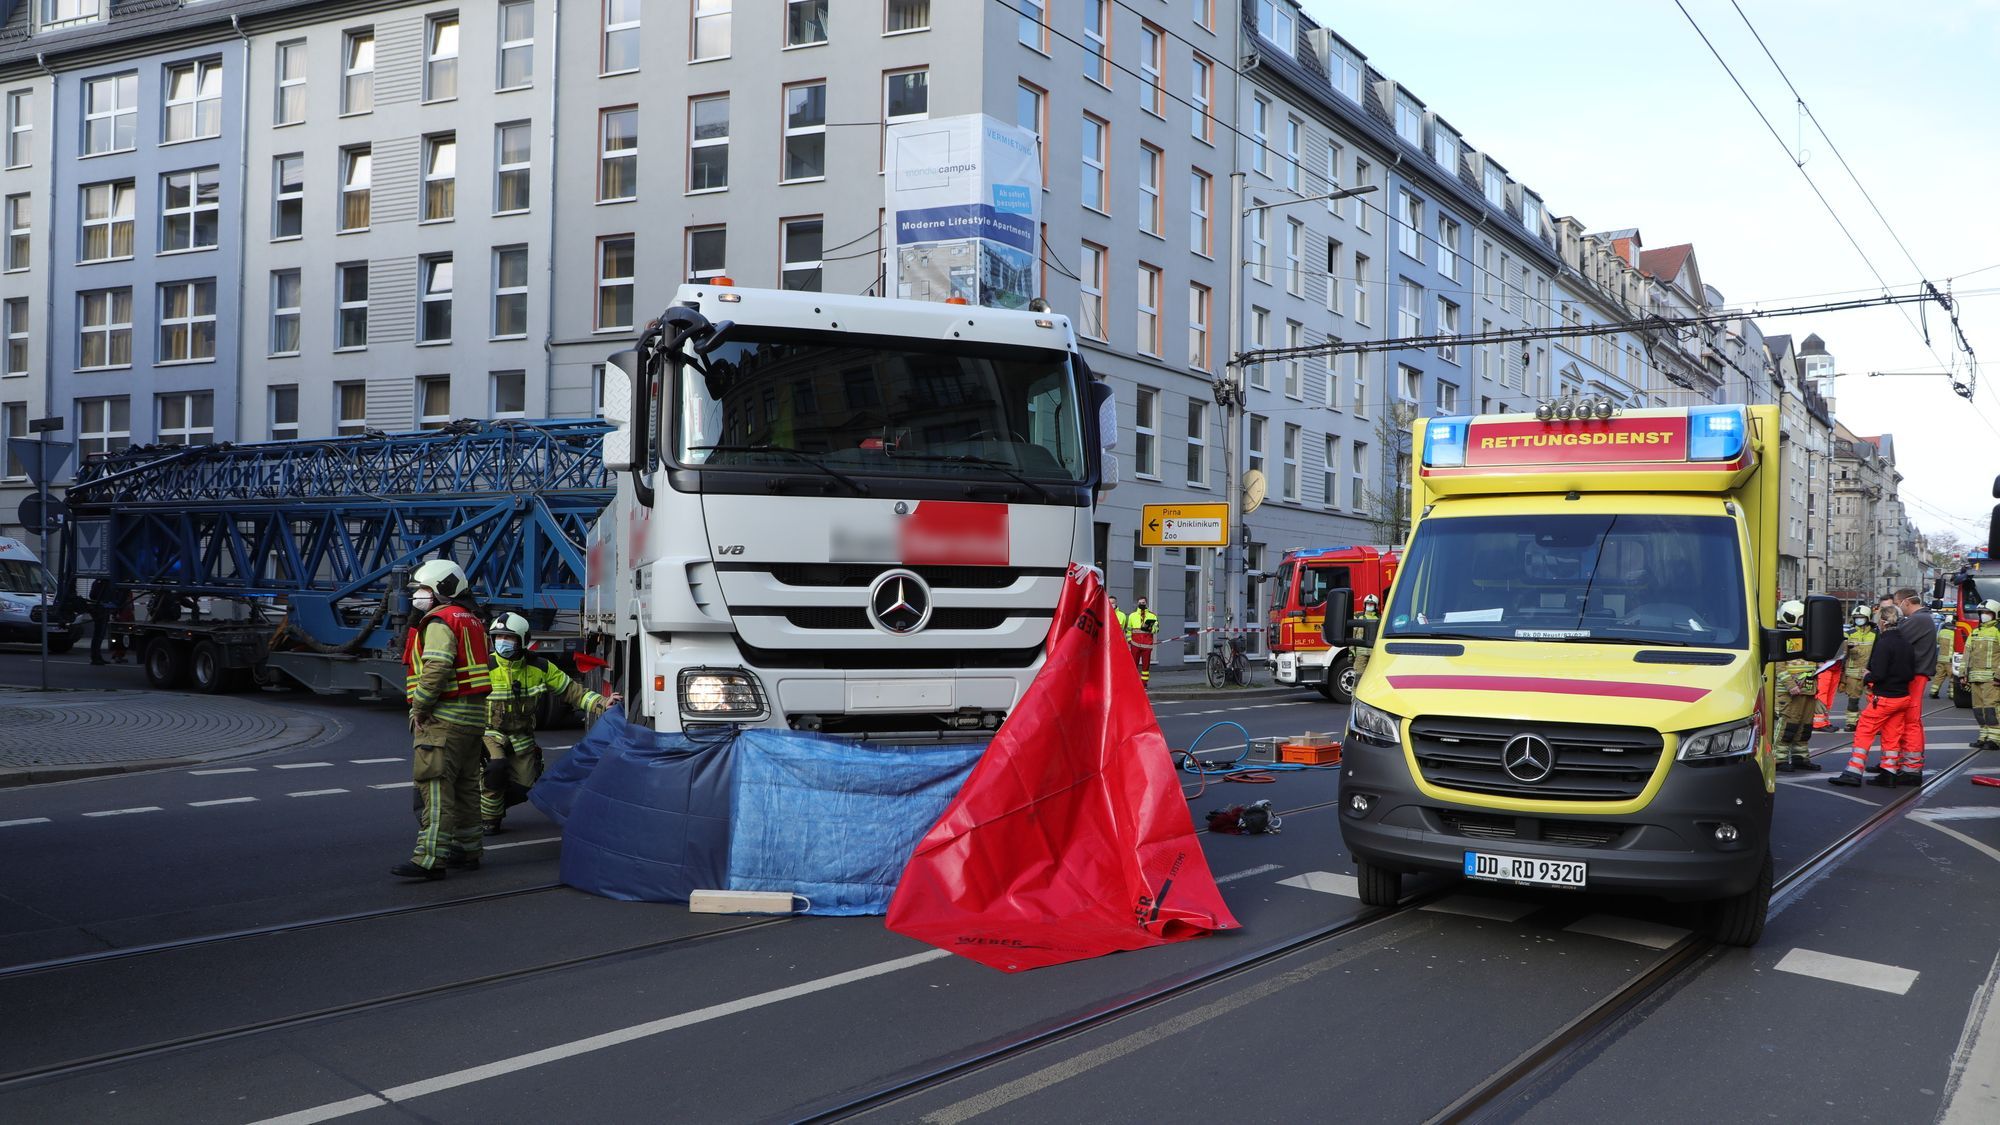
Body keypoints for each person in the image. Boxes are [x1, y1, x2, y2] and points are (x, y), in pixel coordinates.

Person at [392, 558, 492, 881]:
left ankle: (430, 858)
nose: (418, 595)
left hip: (443, 722)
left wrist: (419, 708)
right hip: (473, 721)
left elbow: (436, 669)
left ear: (440, 589)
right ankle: (469, 849)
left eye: (422, 589)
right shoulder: (473, 620)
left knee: (435, 789)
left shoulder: (439, 621)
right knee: (466, 790)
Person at [481, 613, 618, 835]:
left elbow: (573, 692)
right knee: (495, 767)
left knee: (525, 785)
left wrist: (603, 703)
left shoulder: (541, 667)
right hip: (489, 733)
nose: (502, 642)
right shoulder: (483, 666)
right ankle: (488, 819)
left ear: (523, 640)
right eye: (498, 637)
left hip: (522, 736)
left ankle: (483, 804)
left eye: (509, 637)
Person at [1829, 604, 1918, 787]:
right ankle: (1889, 773)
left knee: (1864, 730)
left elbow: (1879, 674)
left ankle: (1853, 772)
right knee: (1892, 736)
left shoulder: (1883, 643)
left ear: (1883, 622)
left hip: (1884, 697)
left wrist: (1867, 675)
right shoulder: (1907, 644)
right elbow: (1910, 673)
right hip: (1902, 697)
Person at [1772, 600, 1821, 772]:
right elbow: (1779, 666)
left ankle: (1801, 758)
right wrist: (1791, 684)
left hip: (1808, 690)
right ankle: (1779, 759)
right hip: (1790, 692)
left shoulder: (1807, 637)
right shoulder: (1784, 638)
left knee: (1805, 726)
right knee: (1787, 727)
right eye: (1801, 618)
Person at [1893, 588, 1937, 773]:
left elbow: (1895, 639)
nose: (1897, 607)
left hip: (1914, 675)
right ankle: (1903, 763)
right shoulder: (1923, 618)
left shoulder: (1918, 619)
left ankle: (1911, 767)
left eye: (1897, 603)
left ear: (1906, 602)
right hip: (1915, 674)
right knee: (1907, 720)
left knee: (1910, 720)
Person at [1834, 607, 1876, 732]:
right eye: (1857, 618)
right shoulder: (1849, 634)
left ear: (1868, 618)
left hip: (1870, 672)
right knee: (1853, 700)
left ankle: (1874, 723)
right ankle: (1852, 722)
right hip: (1852, 673)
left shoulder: (1875, 634)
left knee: (1873, 699)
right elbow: (1841, 654)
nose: (1859, 620)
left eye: (1861, 618)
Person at [1966, 600, 2000, 752]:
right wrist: (1962, 674)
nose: (1983, 616)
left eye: (1987, 613)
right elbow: (1967, 654)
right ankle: (1984, 735)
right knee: (1978, 709)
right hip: (1975, 677)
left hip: (1992, 679)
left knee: (1991, 709)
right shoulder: (1975, 632)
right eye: (1982, 613)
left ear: (1995, 614)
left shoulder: (1998, 631)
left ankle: (1995, 738)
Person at [86, 578, 124, 666]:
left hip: (101, 609)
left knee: (99, 635)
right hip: (101, 610)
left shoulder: (99, 582)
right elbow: (94, 595)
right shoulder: (103, 583)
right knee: (98, 635)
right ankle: (95, 657)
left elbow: (92, 595)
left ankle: (97, 657)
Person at [1125, 596, 1159, 684]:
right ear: (1137, 604)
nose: (1141, 604)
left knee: (1145, 668)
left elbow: (1157, 629)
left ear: (1146, 603)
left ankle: (1144, 684)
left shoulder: (1152, 615)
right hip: (1135, 644)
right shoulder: (1132, 616)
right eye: (1140, 603)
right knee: (1133, 665)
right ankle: (1133, 683)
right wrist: (1129, 640)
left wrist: (1150, 629)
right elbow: (1128, 629)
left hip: (1147, 644)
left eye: (1143, 603)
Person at [1351, 594, 1382, 684]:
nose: (1369, 606)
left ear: (1376, 606)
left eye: (1372, 604)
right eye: (1368, 603)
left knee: (1374, 679)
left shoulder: (1380, 619)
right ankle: (1354, 696)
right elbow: (1353, 635)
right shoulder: (1358, 617)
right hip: (1361, 654)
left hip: (1375, 654)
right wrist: (1351, 652)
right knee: (1359, 677)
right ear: (1364, 605)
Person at [1932, 614, 1959, 699]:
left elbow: (1938, 642)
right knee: (1952, 677)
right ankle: (1952, 694)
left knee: (1939, 676)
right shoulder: (1955, 633)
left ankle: (1933, 692)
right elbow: (1957, 646)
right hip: (1950, 660)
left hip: (1940, 658)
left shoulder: (1941, 632)